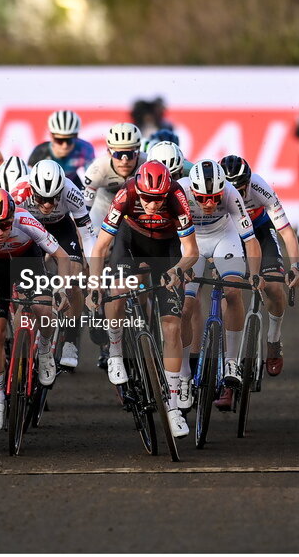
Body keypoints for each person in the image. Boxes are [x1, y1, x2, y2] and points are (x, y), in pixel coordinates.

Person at [86, 160, 199, 439]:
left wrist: (177, 270)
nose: (152, 205)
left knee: (173, 324)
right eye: (147, 198)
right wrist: (94, 284)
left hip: (167, 247)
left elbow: (192, 251)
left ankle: (172, 407)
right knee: (118, 289)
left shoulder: (176, 197)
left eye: (158, 199)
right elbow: (100, 246)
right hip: (131, 244)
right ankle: (115, 351)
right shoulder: (126, 193)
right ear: (139, 190)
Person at [0, 188, 73, 431]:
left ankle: (44, 351)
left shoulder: (26, 220)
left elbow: (62, 257)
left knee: (43, 310)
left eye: (5, 225)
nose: (0, 232)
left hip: (28, 262)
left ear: (13, 217)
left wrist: (62, 289)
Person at [179, 159, 263, 410]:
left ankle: (230, 361)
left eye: (215, 198)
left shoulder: (230, 192)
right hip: (190, 241)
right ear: (192, 191)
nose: (209, 204)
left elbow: (250, 239)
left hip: (223, 238)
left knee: (233, 291)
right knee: (186, 305)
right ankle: (183, 376)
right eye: (203, 199)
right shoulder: (180, 192)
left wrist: (255, 273)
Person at [10, 159, 98, 369]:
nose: (48, 205)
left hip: (61, 229)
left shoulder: (71, 190)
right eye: (41, 198)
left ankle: (70, 340)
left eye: (53, 198)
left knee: (74, 282)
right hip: (29, 230)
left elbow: (87, 235)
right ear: (32, 190)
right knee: (25, 286)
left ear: (61, 190)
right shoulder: (18, 194)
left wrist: (92, 271)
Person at [220, 155, 299, 375]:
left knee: (275, 288)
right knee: (227, 295)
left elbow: (285, 230)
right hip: (230, 235)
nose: (237, 192)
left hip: (260, 231)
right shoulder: (217, 192)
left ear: (249, 182)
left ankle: (274, 340)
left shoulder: (259, 187)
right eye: (232, 188)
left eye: (241, 187)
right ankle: (227, 362)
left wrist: (295, 266)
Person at [83, 122, 143, 225]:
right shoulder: (97, 169)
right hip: (104, 204)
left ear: (138, 152)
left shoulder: (148, 163)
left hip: (137, 205)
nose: (124, 161)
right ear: (109, 153)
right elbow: (82, 211)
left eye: (130, 154)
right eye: (118, 155)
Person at [27, 110, 96, 184]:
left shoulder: (85, 149)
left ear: (76, 137)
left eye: (69, 140)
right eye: (59, 140)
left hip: (72, 182)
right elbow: (28, 180)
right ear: (51, 137)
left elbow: (94, 178)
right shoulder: (39, 152)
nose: (65, 146)